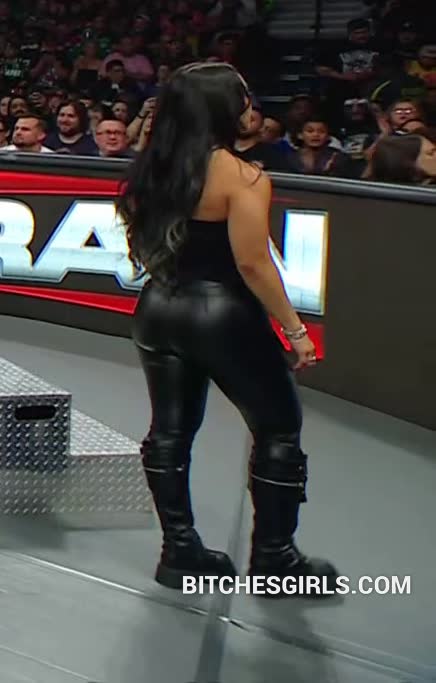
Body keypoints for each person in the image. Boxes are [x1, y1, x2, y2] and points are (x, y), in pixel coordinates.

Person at [117, 62, 338, 596]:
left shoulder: (151, 167)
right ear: (223, 108)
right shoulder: (241, 176)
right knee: (278, 428)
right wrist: (296, 332)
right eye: (243, 98)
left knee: (170, 431)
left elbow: (143, 238)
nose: (250, 107)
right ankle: (275, 562)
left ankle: (179, 551)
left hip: (159, 308)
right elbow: (253, 264)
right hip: (221, 315)